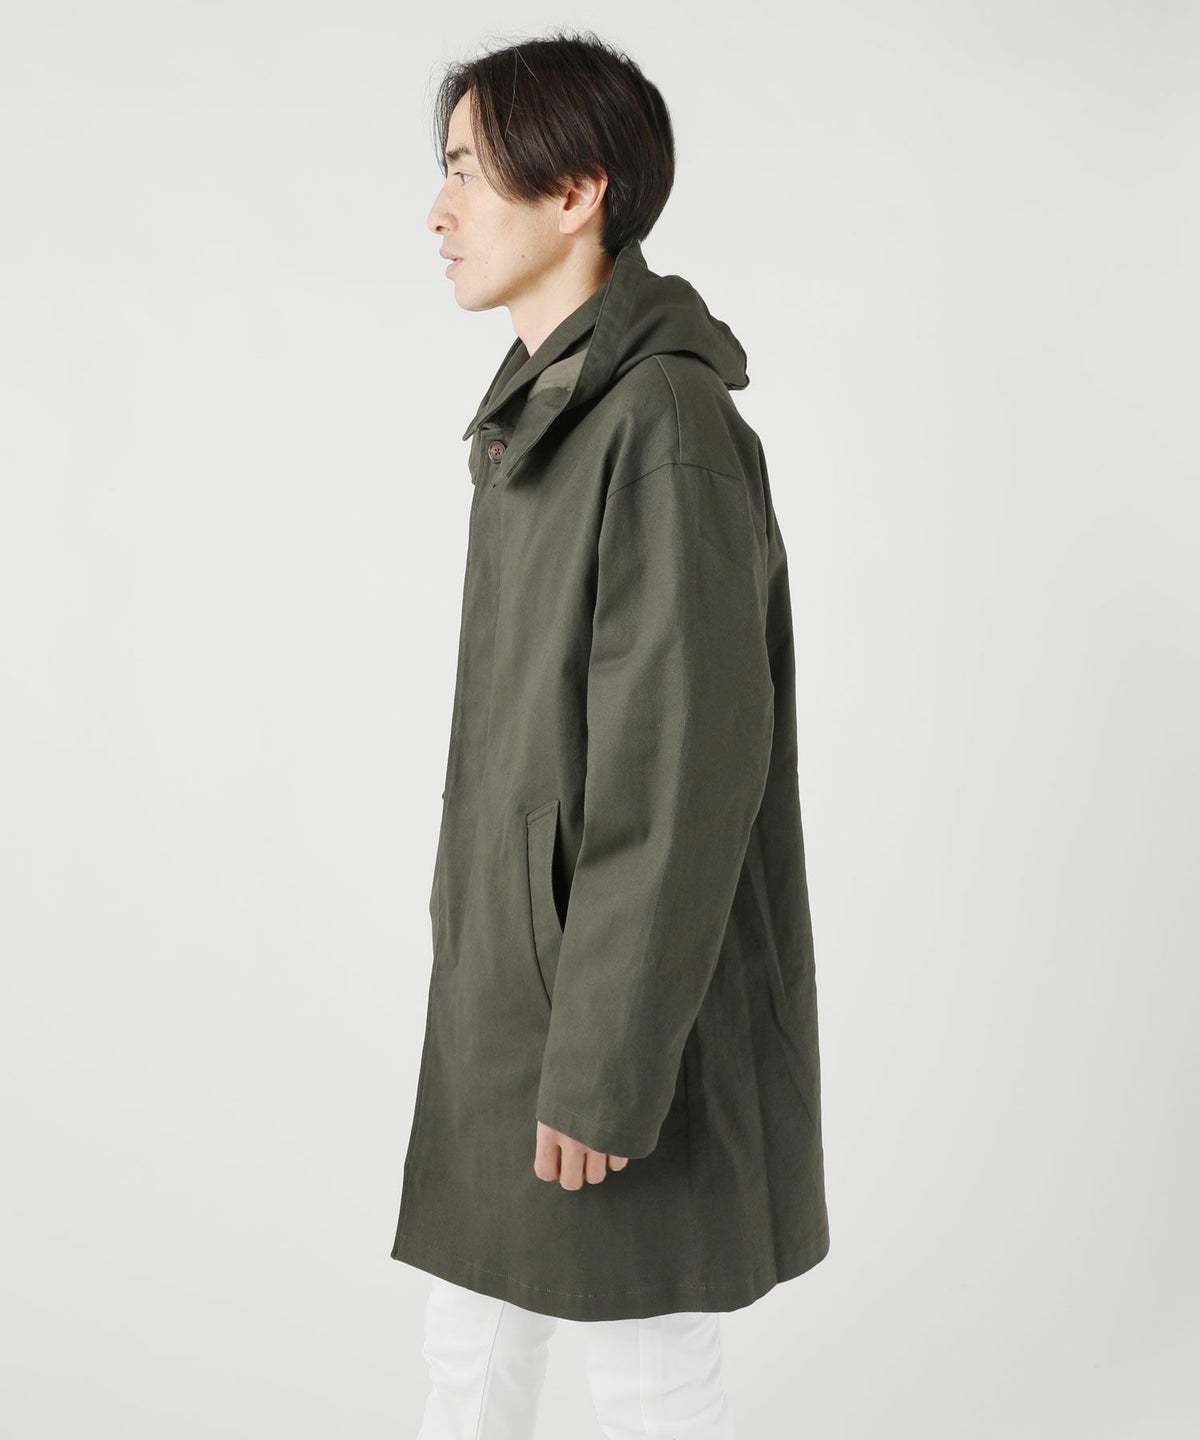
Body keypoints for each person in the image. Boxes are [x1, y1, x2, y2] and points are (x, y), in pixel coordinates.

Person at [391, 28, 830, 1439]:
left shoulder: (661, 423)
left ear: (576, 190)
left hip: (616, 1019)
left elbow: (684, 773)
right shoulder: (543, 418)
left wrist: (603, 1066)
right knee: (470, 1362)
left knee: (647, 1369)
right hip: (516, 1001)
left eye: (469, 170)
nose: (439, 209)